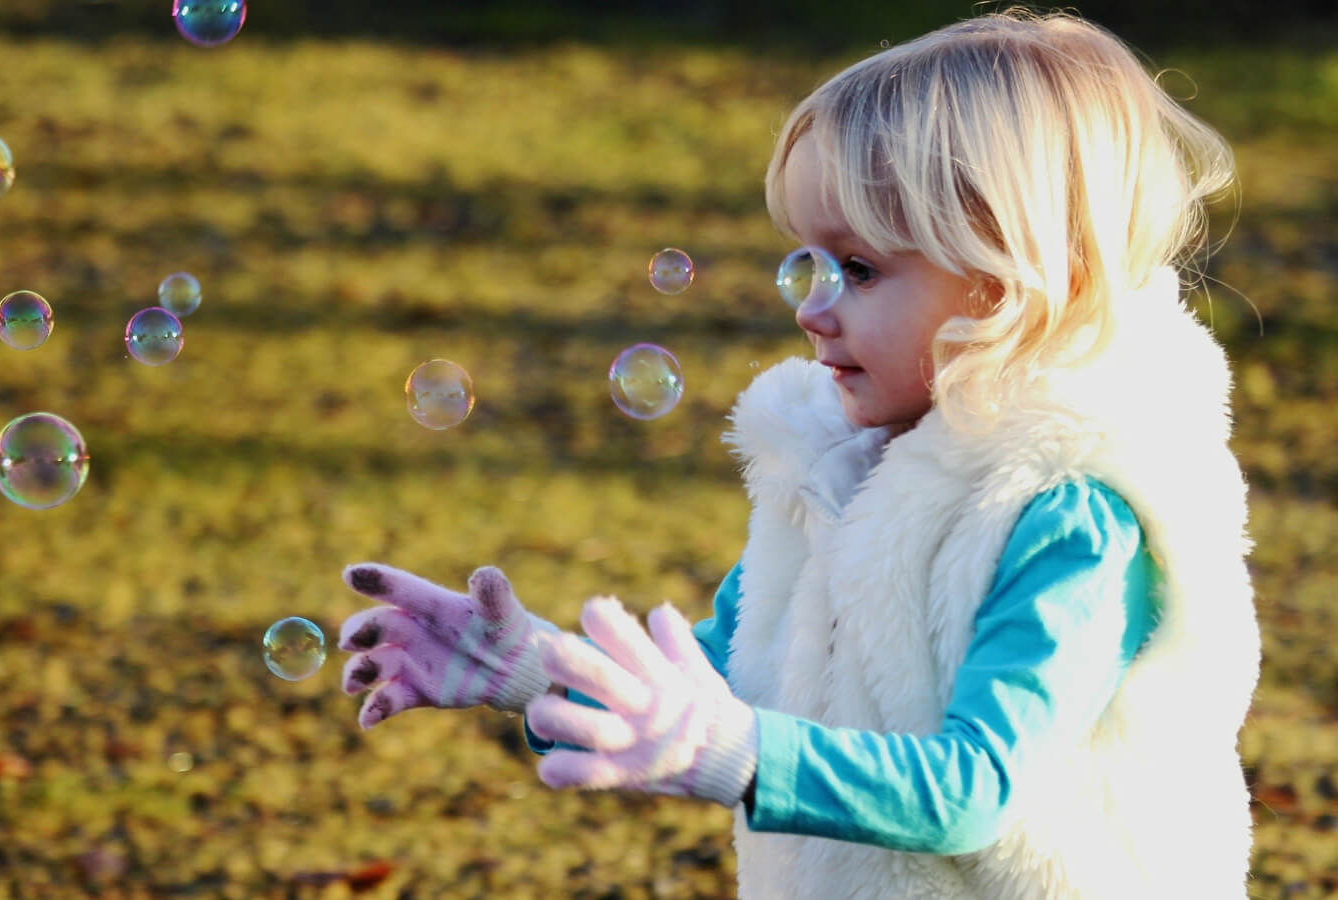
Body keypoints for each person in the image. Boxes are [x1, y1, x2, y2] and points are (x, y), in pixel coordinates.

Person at [335, 8, 1261, 898]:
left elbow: (975, 791)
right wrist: (535, 671)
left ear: (1005, 284)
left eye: (857, 270)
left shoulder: (1073, 510)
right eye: (809, 265)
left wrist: (735, 753)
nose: (811, 308)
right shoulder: (840, 469)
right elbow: (735, 676)